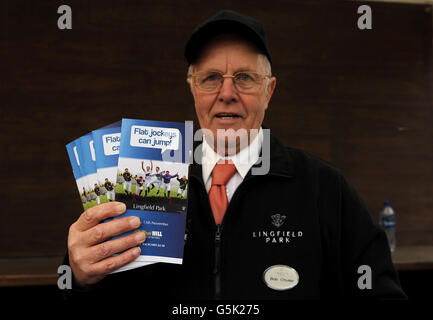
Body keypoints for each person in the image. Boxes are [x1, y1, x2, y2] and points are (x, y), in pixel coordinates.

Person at [63, 10, 406, 301]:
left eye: (244, 78)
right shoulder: (141, 179)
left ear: (269, 90)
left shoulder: (326, 189)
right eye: (211, 78)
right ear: (193, 88)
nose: (227, 94)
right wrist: (78, 276)